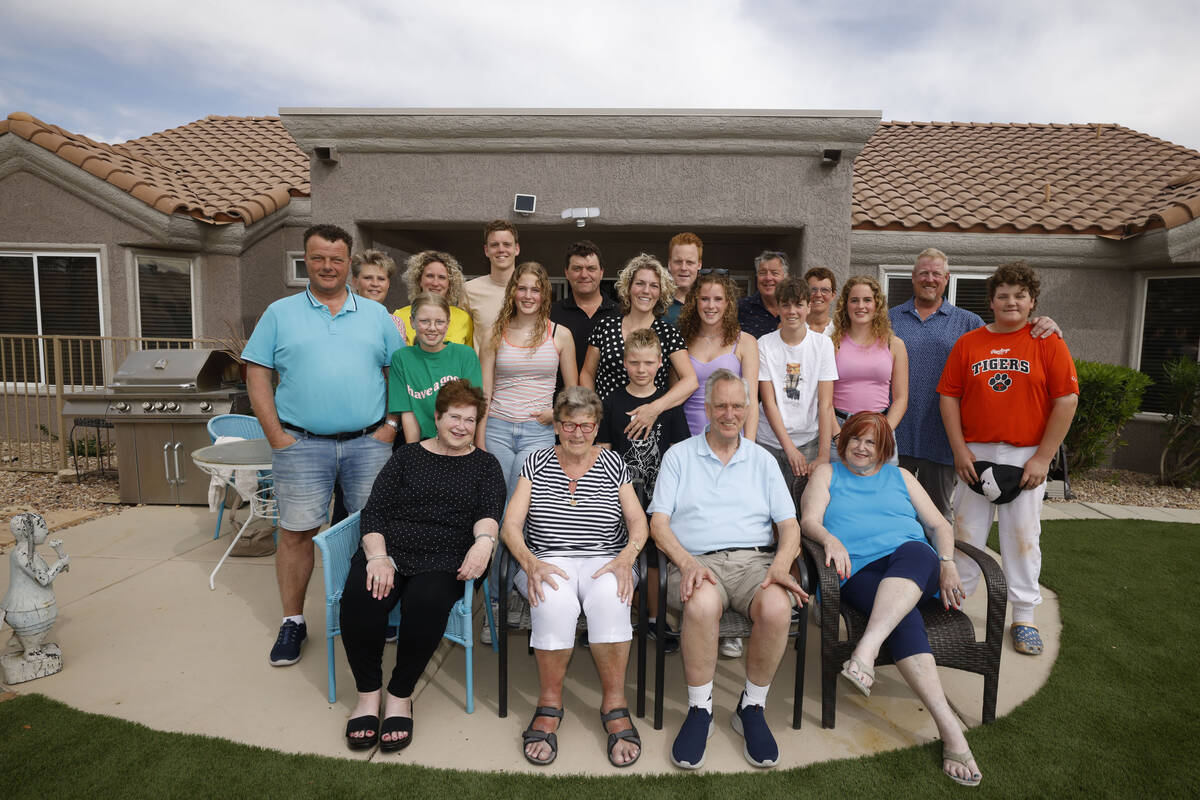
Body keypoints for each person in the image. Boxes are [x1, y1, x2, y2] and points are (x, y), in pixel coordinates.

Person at [242, 223, 403, 667]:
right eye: (318, 258)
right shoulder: (279, 312)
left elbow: (400, 372)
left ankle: (375, 607)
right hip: (301, 444)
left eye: (336, 259)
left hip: (368, 443)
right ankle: (293, 621)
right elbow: (256, 373)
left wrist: (389, 425)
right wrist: (276, 435)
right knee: (296, 533)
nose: (327, 266)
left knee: (372, 530)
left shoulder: (376, 316)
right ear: (306, 262)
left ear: (349, 263)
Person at [799, 411, 983, 787]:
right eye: (855, 439)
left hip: (913, 562)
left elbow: (937, 524)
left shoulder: (900, 477)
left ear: (883, 450)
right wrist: (830, 539)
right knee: (905, 619)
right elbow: (808, 520)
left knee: (918, 551)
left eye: (871, 442)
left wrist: (946, 561)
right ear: (843, 441)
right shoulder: (827, 474)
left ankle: (864, 652)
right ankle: (951, 731)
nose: (861, 448)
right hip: (859, 570)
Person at [649, 369, 808, 770]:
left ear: (748, 409)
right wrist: (685, 563)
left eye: (738, 405)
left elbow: (790, 527)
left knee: (776, 607)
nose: (729, 413)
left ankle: (751, 708)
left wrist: (780, 566)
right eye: (720, 405)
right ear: (706, 408)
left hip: (755, 561)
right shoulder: (679, 456)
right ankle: (700, 712)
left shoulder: (763, 460)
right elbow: (658, 524)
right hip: (697, 560)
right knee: (700, 605)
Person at [341, 380, 505, 752]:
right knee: (362, 597)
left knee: (426, 602)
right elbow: (376, 510)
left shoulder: (485, 465)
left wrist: (484, 543)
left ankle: (399, 694)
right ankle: (368, 694)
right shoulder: (407, 456)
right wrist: (378, 556)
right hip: (392, 549)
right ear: (437, 417)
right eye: (454, 417)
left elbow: (488, 514)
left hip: (448, 557)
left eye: (469, 419)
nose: (461, 426)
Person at [501, 387, 650, 768]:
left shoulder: (615, 463)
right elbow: (511, 526)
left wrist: (627, 557)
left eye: (586, 425)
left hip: (606, 559)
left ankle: (614, 702)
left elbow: (638, 523)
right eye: (569, 425)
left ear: (597, 426)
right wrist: (529, 562)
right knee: (552, 603)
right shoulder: (535, 462)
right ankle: (550, 703)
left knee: (611, 600)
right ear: (557, 425)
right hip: (548, 560)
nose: (577, 433)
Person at [939, 261, 1078, 657]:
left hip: (1025, 454)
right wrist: (959, 448)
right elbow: (949, 395)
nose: (1011, 302)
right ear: (991, 301)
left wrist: (1043, 458)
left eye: (1020, 295)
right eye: (1003, 295)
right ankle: (954, 605)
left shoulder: (1047, 342)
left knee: (1022, 537)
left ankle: (1024, 617)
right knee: (966, 534)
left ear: (1032, 301)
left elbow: (1066, 399)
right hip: (976, 450)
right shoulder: (970, 343)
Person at [889, 248, 1060, 517]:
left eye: (936, 273)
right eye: (923, 273)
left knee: (937, 512)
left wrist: (1041, 322)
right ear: (913, 277)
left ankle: (940, 559)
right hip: (898, 431)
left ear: (946, 278)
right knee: (892, 507)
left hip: (942, 436)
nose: (929, 279)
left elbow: (1006, 334)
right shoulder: (889, 319)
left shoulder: (968, 323)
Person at [479, 261, 578, 496]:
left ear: (544, 294)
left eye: (535, 290)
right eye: (522, 289)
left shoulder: (560, 334)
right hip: (497, 428)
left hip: (538, 430)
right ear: (513, 292)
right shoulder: (493, 333)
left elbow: (573, 391)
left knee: (524, 500)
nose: (528, 296)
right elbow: (484, 390)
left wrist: (555, 414)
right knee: (495, 498)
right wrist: (479, 437)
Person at [581, 253, 698, 440]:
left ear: (661, 292)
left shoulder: (668, 333)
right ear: (628, 287)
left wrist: (654, 408)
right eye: (640, 283)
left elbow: (690, 381)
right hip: (606, 423)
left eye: (654, 286)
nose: (646, 291)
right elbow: (587, 373)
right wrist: (594, 409)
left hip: (650, 422)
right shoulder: (605, 326)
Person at [757, 276, 837, 496]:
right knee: (772, 513)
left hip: (809, 441)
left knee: (806, 510)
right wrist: (789, 449)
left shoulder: (823, 345)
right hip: (770, 442)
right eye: (786, 304)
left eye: (798, 304)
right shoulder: (764, 344)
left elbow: (826, 403)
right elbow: (768, 401)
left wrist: (822, 455)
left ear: (809, 307)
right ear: (778, 308)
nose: (792, 311)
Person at [829, 275, 908, 460]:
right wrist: (838, 435)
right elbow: (823, 400)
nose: (860, 306)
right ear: (845, 305)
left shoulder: (894, 344)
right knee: (839, 488)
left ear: (877, 305)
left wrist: (882, 433)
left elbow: (901, 398)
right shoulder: (831, 344)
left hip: (880, 427)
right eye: (854, 300)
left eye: (867, 300)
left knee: (884, 488)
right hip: (841, 428)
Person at [389, 293, 482, 443]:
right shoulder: (401, 358)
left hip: (459, 442)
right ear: (412, 322)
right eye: (424, 321)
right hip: (422, 443)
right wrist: (415, 454)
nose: (432, 328)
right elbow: (408, 412)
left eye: (439, 322)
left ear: (448, 323)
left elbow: (472, 409)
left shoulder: (465, 355)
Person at [678, 272, 760, 439]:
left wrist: (749, 447)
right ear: (695, 301)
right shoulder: (682, 341)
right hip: (688, 439)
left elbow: (750, 401)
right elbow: (676, 396)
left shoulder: (745, 342)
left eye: (718, 299)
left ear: (727, 303)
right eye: (704, 299)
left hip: (730, 439)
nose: (711, 306)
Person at [550, 240, 616, 377]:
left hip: (610, 397)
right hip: (562, 397)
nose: (584, 275)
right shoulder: (550, 314)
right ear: (566, 273)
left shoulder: (621, 314)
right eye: (577, 269)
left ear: (601, 273)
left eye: (591, 268)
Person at [394, 250, 474, 346]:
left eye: (442, 277)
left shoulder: (463, 318)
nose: (435, 283)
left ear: (450, 284)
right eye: (430, 276)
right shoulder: (400, 317)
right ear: (419, 280)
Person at [465, 220, 520, 352]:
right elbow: (464, 339)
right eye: (494, 245)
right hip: (481, 371)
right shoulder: (469, 289)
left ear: (516, 249)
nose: (501, 250)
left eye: (507, 244)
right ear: (486, 250)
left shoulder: (530, 291)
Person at [738, 250, 789, 339]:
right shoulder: (740, 308)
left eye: (774, 273)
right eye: (762, 273)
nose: (768, 278)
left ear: (786, 278)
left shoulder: (796, 308)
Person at [664, 232, 703, 325]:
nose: (684, 268)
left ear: (699, 265)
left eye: (689, 262)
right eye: (678, 262)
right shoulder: (655, 302)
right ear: (669, 264)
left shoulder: (709, 303)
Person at [803, 266, 837, 336]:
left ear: (833, 295)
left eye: (825, 290)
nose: (818, 295)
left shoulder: (839, 330)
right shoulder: (793, 328)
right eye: (813, 290)